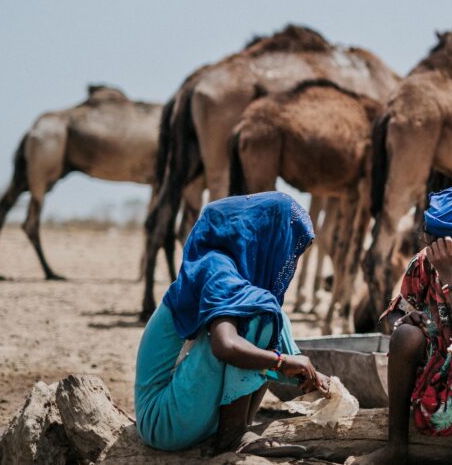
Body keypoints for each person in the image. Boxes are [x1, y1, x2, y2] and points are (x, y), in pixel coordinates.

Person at [134, 192, 329, 456]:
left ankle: (239, 425)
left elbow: (272, 355)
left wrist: (309, 374)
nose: (289, 260)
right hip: (163, 419)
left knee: (272, 313)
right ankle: (233, 434)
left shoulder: (232, 273)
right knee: (257, 312)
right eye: (288, 247)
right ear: (267, 236)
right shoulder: (218, 269)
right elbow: (224, 346)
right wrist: (281, 362)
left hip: (187, 409)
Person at [349, 186, 452, 465]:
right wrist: (402, 321)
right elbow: (397, 310)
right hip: (433, 376)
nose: (436, 253)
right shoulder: (424, 262)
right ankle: (397, 445)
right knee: (405, 335)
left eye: (446, 249)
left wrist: (448, 274)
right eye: (432, 243)